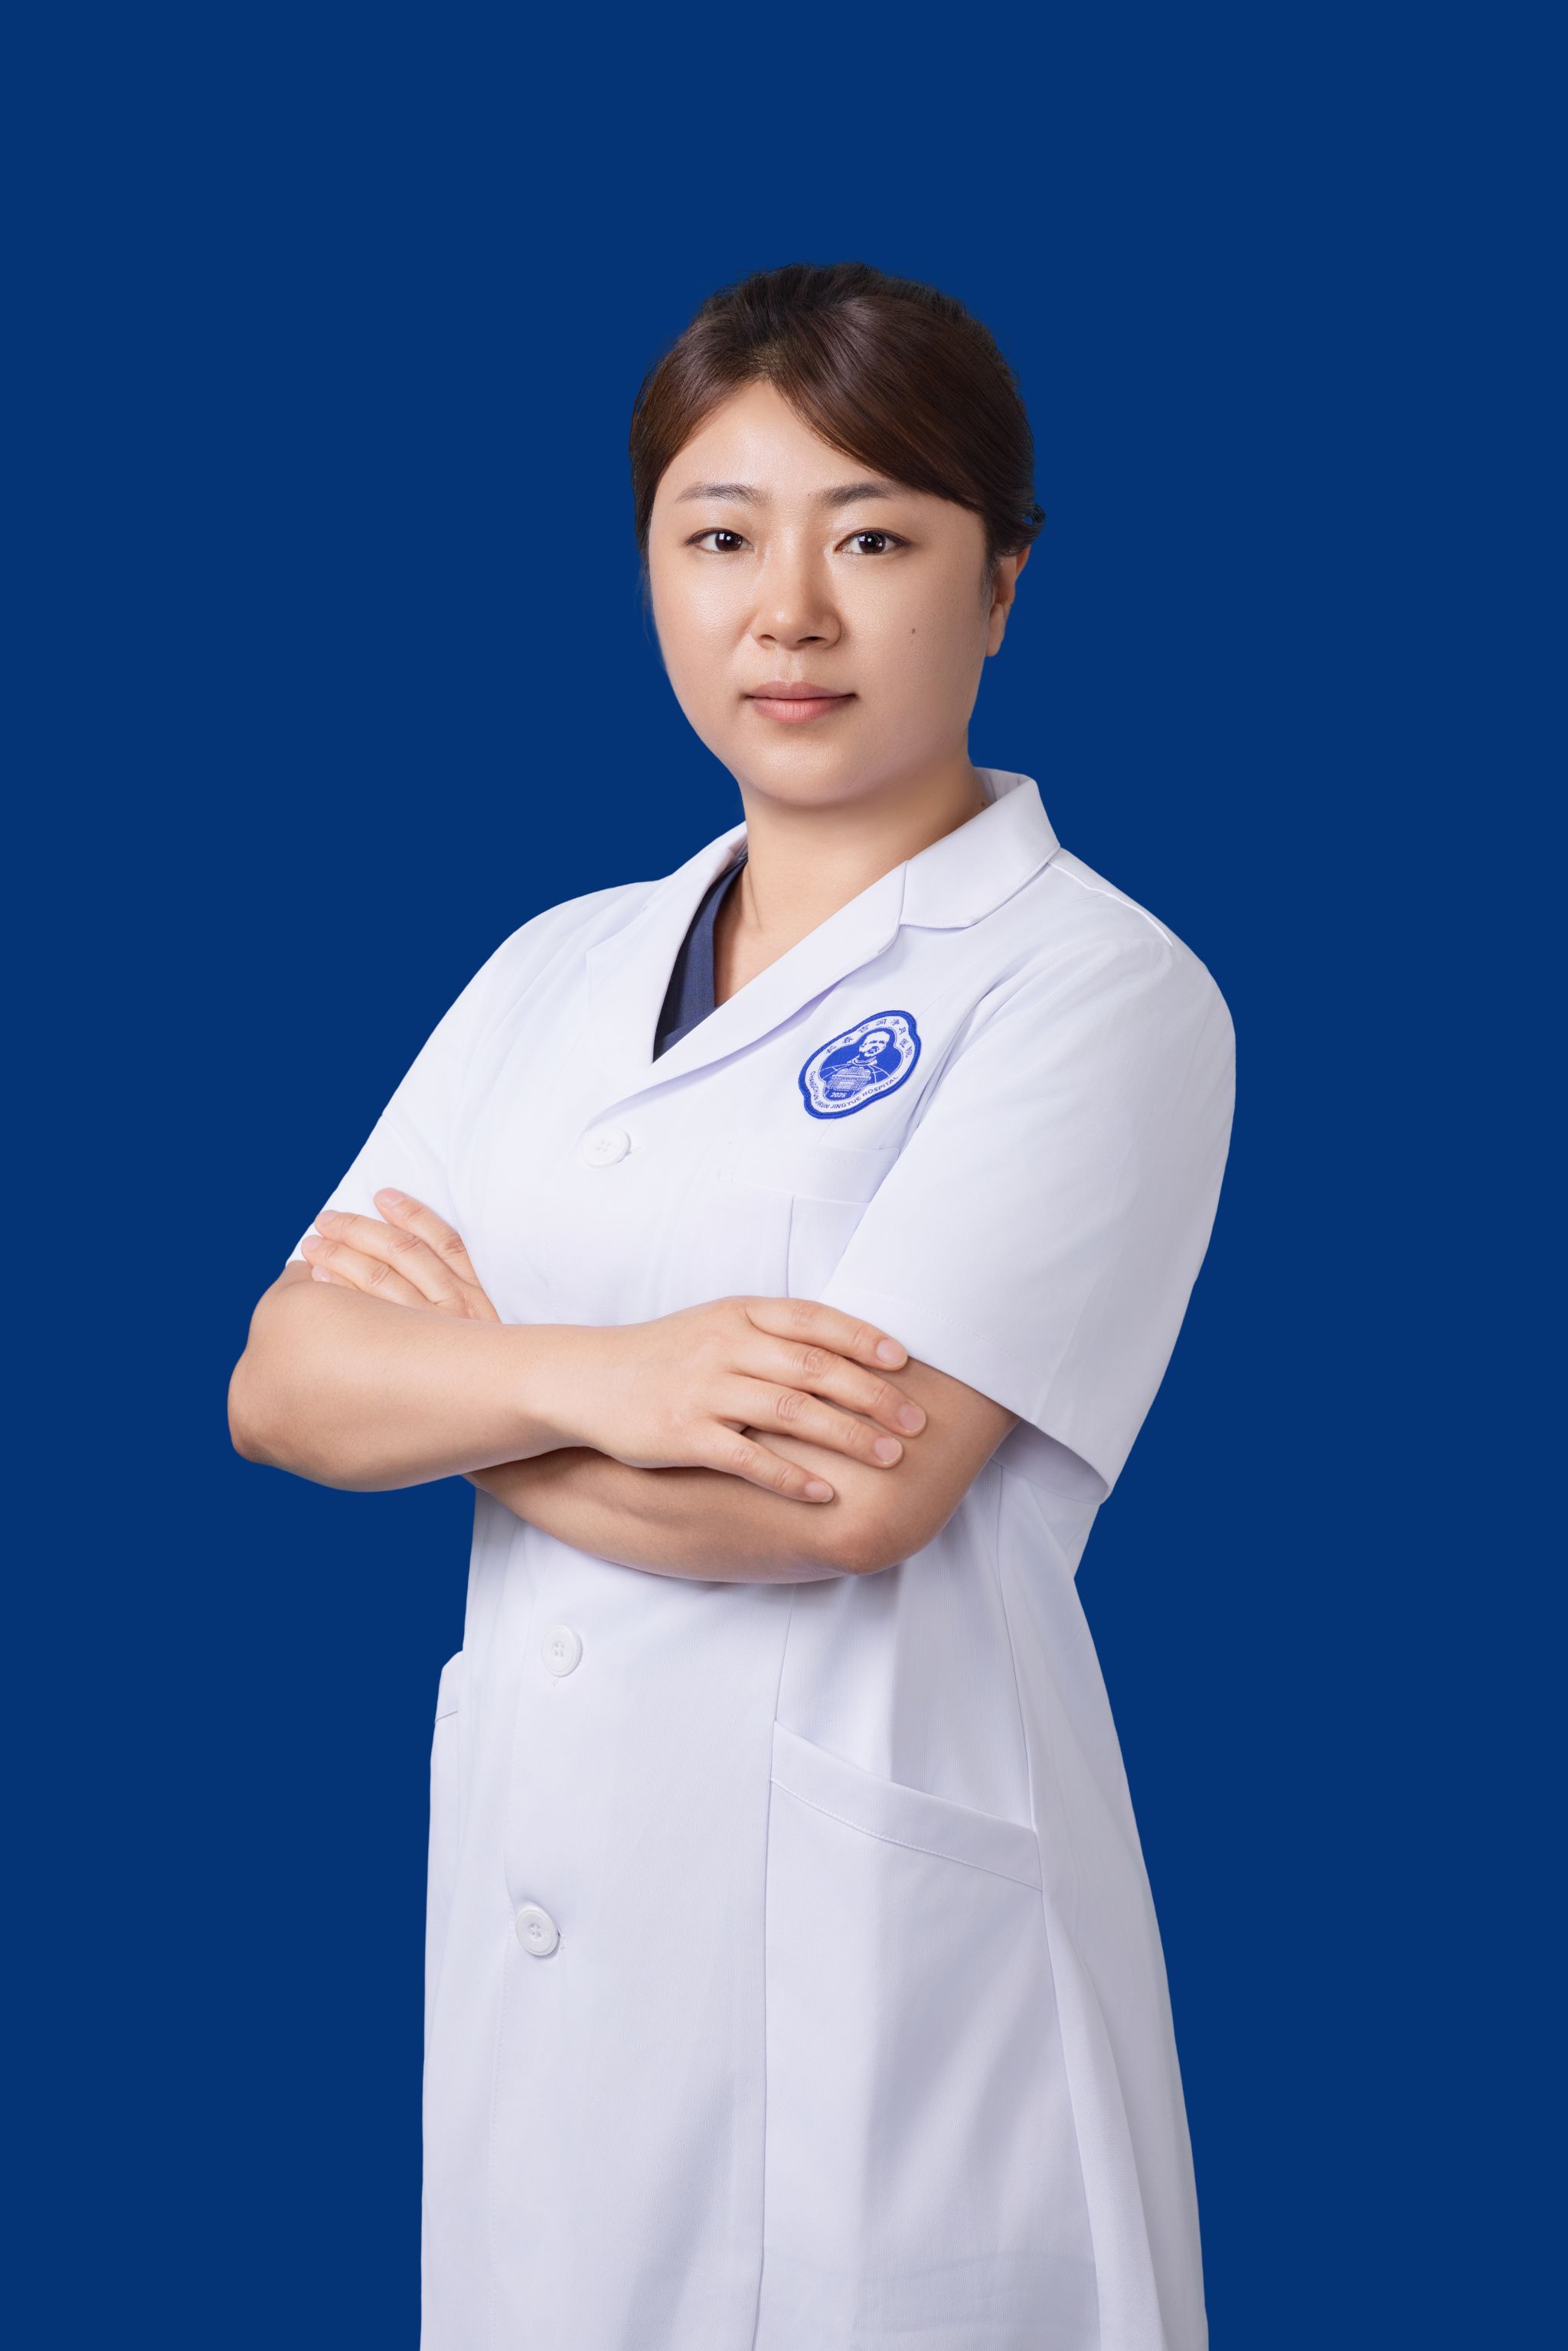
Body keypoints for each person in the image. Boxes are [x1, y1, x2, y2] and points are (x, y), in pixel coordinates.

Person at [228, 259, 1236, 2351]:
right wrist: (629, 1380)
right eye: (718, 539)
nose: (789, 613)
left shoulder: (1096, 989)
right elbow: (284, 1383)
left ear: (1002, 582)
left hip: (879, 1999)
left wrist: (460, 1399)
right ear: (652, 577)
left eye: (872, 539)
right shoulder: (553, 970)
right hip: (544, 1962)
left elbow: (849, 1502)